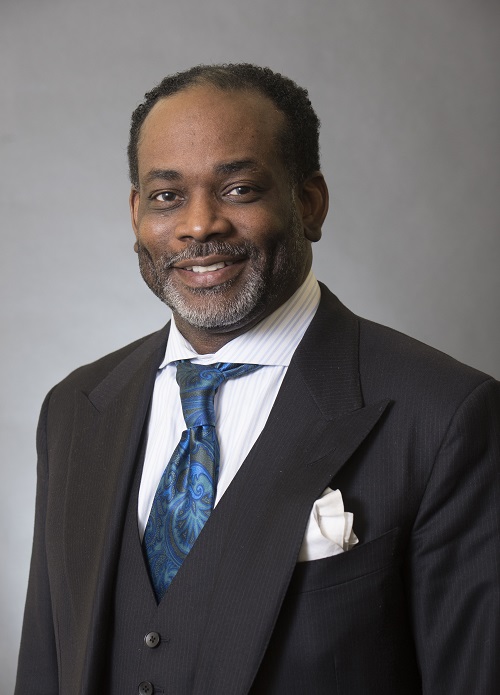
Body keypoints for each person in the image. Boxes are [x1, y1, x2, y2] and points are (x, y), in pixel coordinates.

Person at [15, 64, 500, 695]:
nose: (199, 225)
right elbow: (46, 668)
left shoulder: (446, 415)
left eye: (239, 189)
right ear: (136, 213)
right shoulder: (75, 408)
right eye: (167, 196)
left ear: (309, 203)